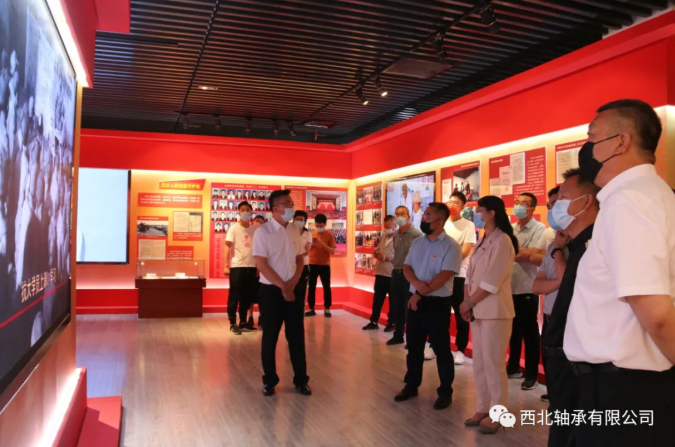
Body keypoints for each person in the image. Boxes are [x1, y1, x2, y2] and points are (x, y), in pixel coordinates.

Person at [564, 99, 675, 446]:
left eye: (592, 137)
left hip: (623, 390)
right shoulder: (648, 195)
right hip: (625, 387)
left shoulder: (630, 201)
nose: (586, 148)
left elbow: (657, 314)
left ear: (620, 142)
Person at [538, 168, 598, 447]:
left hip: (579, 362)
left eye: (562, 198)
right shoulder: (574, 245)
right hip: (564, 355)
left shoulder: (593, 246)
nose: (554, 207)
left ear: (586, 201)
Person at [394, 203, 462, 410]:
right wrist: (417, 288)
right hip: (415, 299)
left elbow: (445, 275)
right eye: (424, 214)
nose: (423, 218)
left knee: (441, 349)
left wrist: (419, 294)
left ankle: (445, 391)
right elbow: (407, 267)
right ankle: (411, 385)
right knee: (414, 347)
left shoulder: (451, 246)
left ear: (439, 221)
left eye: (428, 215)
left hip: (437, 304)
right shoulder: (417, 243)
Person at [459, 196, 518, 435]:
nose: (476, 214)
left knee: (494, 364)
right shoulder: (484, 239)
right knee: (480, 363)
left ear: (491, 213)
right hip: (478, 309)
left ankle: (498, 413)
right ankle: (483, 407)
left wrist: (469, 302)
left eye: (479, 210)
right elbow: (470, 274)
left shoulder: (503, 240)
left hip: (495, 311)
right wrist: (467, 301)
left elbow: (492, 281)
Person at [253, 190, 310, 397]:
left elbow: (300, 258)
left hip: (294, 288)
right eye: (287, 203)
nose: (291, 207)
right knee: (270, 337)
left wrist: (293, 283)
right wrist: (283, 287)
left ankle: (301, 380)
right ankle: (269, 380)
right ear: (275, 208)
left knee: (296, 336)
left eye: (291, 203)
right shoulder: (263, 232)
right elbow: (261, 264)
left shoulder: (295, 230)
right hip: (271, 291)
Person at [426, 191, 476, 365]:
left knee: (461, 314)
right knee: (439, 313)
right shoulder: (442, 223)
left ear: (463, 206)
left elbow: (465, 251)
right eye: (450, 201)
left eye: (456, 202)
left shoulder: (468, 225)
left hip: (458, 275)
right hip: (439, 275)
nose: (452, 205)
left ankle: (460, 349)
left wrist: (445, 263)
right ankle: (434, 345)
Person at [507, 192, 545, 390]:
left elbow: (532, 255)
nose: (519, 206)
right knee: (513, 331)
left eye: (524, 203)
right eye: (517, 202)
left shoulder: (539, 228)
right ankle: (513, 367)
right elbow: (516, 252)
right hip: (509, 288)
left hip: (527, 288)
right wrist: (521, 252)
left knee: (530, 333)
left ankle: (531, 374)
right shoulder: (511, 228)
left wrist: (512, 252)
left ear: (532, 209)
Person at [531, 188, 564, 403]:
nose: (552, 210)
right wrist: (559, 282)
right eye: (550, 206)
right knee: (551, 362)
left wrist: (559, 251)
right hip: (550, 314)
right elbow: (537, 286)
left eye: (556, 204)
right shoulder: (553, 244)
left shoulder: (582, 244)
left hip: (569, 317)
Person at [388, 206, 423, 345]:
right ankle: (398, 335)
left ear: (408, 216)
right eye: (397, 214)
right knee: (397, 307)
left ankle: (411, 339)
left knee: (409, 306)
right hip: (396, 273)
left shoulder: (416, 234)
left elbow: (419, 257)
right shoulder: (395, 235)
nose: (399, 216)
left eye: (402, 214)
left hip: (409, 275)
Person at [224, 201, 257, 334]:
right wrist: (226, 265)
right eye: (242, 210)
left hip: (251, 266)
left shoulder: (254, 229)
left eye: (247, 210)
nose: (245, 212)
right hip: (237, 266)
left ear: (251, 212)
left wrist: (258, 267)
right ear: (238, 212)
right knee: (234, 295)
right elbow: (227, 247)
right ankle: (232, 322)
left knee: (247, 297)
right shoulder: (234, 228)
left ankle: (243, 321)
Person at [363, 215, 396, 331]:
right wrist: (376, 252)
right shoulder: (383, 236)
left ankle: (391, 323)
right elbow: (378, 248)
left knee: (393, 301)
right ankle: (373, 321)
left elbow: (400, 257)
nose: (386, 229)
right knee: (377, 299)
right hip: (380, 273)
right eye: (385, 227)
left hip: (392, 274)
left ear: (395, 225)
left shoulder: (399, 238)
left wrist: (386, 257)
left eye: (388, 227)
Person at [306, 214, 336, 317]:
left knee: (326, 287)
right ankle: (311, 308)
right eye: (317, 225)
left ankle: (327, 308)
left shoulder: (329, 235)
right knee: (311, 287)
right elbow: (307, 250)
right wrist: (311, 245)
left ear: (325, 224)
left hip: (325, 265)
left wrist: (321, 243)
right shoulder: (311, 234)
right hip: (312, 264)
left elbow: (332, 251)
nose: (318, 227)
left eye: (321, 225)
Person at [531, 187, 559, 267]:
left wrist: (546, 256)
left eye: (555, 204)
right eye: (548, 206)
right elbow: (533, 257)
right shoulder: (548, 231)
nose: (551, 209)